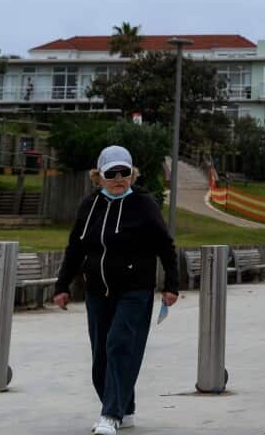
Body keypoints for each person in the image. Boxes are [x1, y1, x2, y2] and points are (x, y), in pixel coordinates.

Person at [53, 145, 179, 435]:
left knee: (119, 345)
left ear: (132, 174)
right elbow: (75, 248)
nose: (120, 178)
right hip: (97, 290)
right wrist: (62, 285)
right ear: (99, 176)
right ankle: (126, 409)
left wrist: (171, 284)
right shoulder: (89, 205)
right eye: (112, 173)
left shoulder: (144, 205)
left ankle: (110, 414)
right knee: (100, 357)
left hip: (135, 290)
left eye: (125, 172)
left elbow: (165, 246)